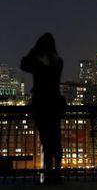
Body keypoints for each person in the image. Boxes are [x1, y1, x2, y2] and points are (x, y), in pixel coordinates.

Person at [20, 33, 65, 184]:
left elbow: (24, 64)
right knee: (56, 142)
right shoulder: (58, 62)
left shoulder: (38, 62)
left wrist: (34, 49)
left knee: (47, 143)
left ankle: (49, 175)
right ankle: (56, 174)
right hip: (54, 105)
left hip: (42, 106)